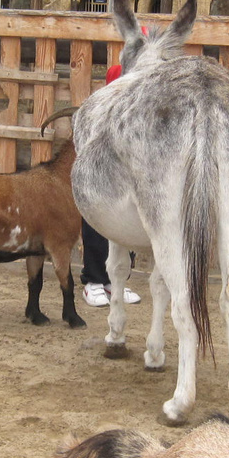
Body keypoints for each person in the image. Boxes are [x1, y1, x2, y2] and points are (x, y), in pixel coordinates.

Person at [80, 55, 140, 307]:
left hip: (133, 165)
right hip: (103, 166)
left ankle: (116, 281)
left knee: (129, 222)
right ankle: (93, 281)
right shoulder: (118, 73)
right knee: (98, 220)